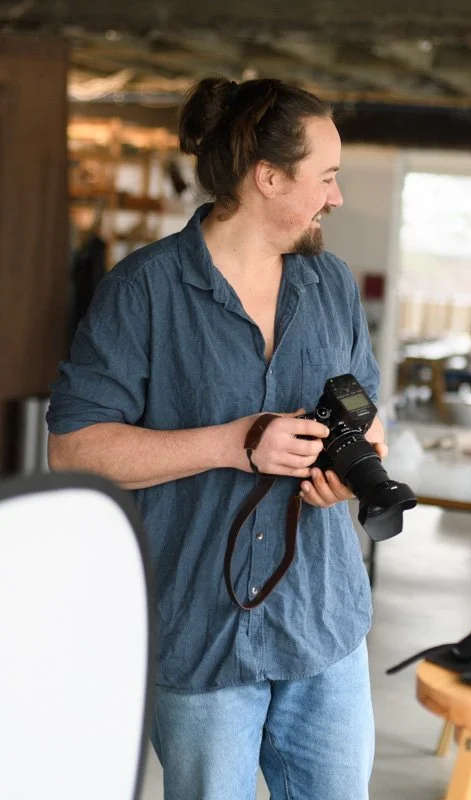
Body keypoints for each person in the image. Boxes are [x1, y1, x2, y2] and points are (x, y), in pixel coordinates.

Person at [47, 77, 387, 800]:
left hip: (321, 626)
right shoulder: (143, 290)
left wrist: (346, 468)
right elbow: (74, 450)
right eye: (325, 177)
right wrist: (232, 443)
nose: (336, 197)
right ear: (268, 177)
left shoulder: (329, 284)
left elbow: (367, 408)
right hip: (198, 634)